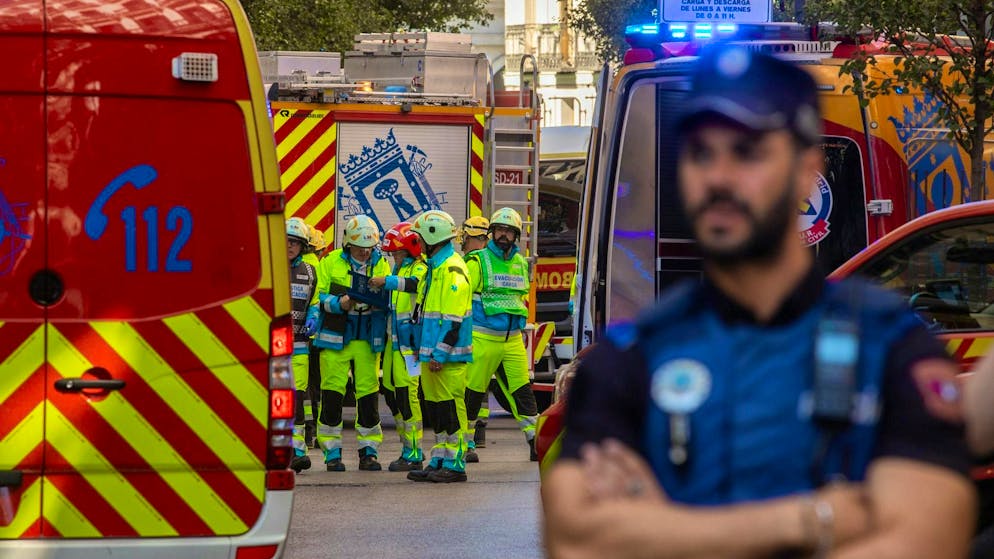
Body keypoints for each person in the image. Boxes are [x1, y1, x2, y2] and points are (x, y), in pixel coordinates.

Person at [542, 45, 976, 558]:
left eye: (747, 152)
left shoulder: (889, 347)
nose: (719, 177)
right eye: (701, 153)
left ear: (805, 168)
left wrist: (661, 528)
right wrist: (813, 519)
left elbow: (927, 537)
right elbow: (574, 539)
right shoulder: (629, 360)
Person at [312, 214, 390, 471]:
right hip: (336, 336)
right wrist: (340, 303)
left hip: (367, 337)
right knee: (332, 394)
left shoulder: (381, 264)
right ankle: (331, 453)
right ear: (348, 244)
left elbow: (389, 297)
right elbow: (319, 297)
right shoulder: (331, 262)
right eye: (359, 248)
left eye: (368, 248)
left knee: (368, 395)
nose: (365, 253)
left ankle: (369, 451)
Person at [464, 207, 539, 463]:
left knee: (522, 391)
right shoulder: (477, 261)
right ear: (491, 232)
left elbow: (520, 297)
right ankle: (465, 444)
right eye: (499, 230)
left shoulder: (520, 262)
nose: (503, 235)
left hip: (512, 340)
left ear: (516, 235)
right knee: (472, 393)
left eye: (509, 231)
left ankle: (536, 441)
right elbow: (462, 299)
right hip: (482, 337)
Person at [406, 210, 474, 483]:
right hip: (433, 354)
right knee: (435, 408)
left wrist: (439, 353)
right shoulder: (436, 267)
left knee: (449, 407)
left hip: (447, 356)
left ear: (434, 238)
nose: (418, 245)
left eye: (420, 239)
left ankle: (456, 464)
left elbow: (454, 320)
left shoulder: (453, 269)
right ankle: (439, 458)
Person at [368, 221, 429, 472]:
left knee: (408, 396)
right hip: (396, 345)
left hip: (410, 346)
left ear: (411, 249)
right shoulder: (401, 268)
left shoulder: (421, 268)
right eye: (392, 253)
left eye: (398, 252)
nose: (394, 256)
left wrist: (387, 281)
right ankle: (407, 445)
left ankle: (414, 452)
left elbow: (414, 285)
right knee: (393, 394)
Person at [287, 218, 319, 473]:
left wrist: (314, 317)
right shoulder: (270, 267)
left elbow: (316, 303)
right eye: (285, 241)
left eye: (294, 243)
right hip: (272, 347)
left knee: (297, 398)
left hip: (299, 345)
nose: (289, 246)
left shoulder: (310, 272)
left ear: (303, 246)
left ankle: (298, 451)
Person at [459, 215, 493, 449]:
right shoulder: (493, 261)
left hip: (472, 331)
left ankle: (470, 437)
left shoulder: (473, 262)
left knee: (470, 387)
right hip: (492, 333)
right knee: (480, 387)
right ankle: (478, 432)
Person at [303, 223, 326, 449]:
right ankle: (318, 432)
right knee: (318, 386)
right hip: (318, 337)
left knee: (305, 388)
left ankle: (307, 433)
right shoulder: (319, 267)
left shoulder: (297, 267)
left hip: (301, 337)